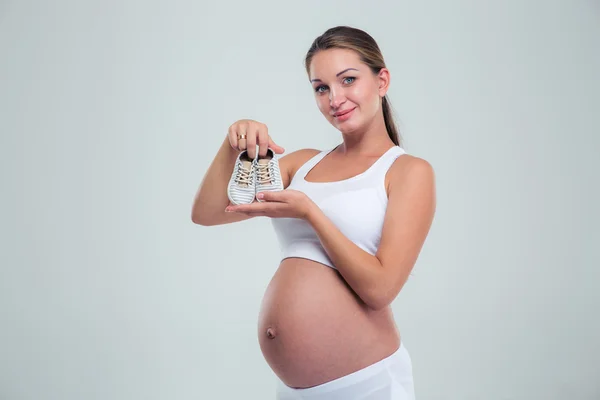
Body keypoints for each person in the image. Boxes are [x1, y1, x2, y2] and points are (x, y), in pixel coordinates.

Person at [191, 25, 436, 400]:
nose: (334, 98)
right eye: (321, 87)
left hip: (366, 384)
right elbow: (208, 213)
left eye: (348, 80)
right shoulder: (302, 165)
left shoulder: (407, 172)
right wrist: (232, 145)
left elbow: (380, 290)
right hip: (294, 391)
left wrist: (311, 212)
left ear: (382, 80)